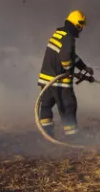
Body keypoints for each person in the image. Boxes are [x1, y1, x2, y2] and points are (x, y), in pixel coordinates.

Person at [37, 10, 94, 138]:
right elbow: (66, 58)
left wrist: (83, 67)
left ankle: (46, 135)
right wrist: (70, 72)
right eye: (81, 27)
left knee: (46, 106)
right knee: (69, 107)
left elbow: (71, 56)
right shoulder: (68, 38)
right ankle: (72, 137)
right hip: (59, 83)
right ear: (77, 25)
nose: (81, 30)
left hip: (46, 81)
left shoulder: (59, 34)